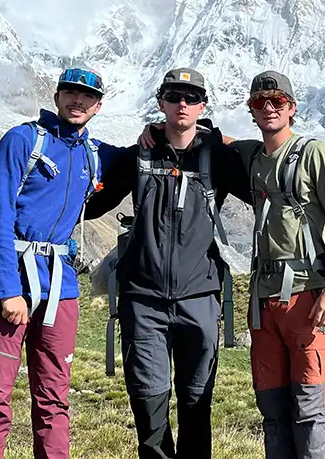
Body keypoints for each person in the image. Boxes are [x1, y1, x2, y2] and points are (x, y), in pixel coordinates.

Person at [82, 67, 252, 459]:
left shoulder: (219, 158)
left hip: (200, 298)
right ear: (160, 102)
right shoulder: (139, 156)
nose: (182, 104)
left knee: (197, 404)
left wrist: (216, 134)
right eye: (174, 96)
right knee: (148, 403)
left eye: (191, 98)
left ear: (202, 106)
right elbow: (93, 205)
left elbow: (266, 179)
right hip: (143, 301)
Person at [0, 67, 121, 459]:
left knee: (54, 398)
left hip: (60, 288)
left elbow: (141, 155)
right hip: (9, 283)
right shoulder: (23, 140)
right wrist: (6, 291)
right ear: (56, 95)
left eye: (87, 96)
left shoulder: (93, 153)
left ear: (98, 106)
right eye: (70, 91)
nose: (77, 100)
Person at [230, 70, 325, 459]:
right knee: (272, 409)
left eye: (277, 102)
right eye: (259, 103)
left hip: (308, 298)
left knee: (309, 409)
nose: (268, 108)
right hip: (264, 303)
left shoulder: (313, 153)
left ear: (292, 108)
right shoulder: (253, 156)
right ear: (251, 110)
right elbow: (219, 140)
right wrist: (158, 127)